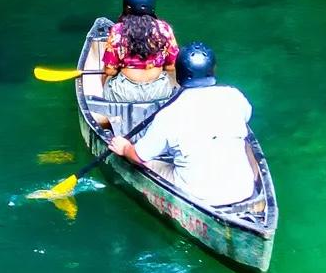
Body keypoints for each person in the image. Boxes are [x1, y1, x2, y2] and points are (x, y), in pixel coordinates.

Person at [109, 42, 256, 207]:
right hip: (244, 189)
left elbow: (139, 156)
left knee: (142, 161)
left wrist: (125, 148)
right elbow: (246, 117)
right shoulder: (234, 96)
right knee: (245, 141)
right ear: (213, 70)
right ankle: (255, 186)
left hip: (199, 196)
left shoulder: (168, 114)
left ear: (178, 75)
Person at [102, 0, 179, 102]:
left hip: (124, 93)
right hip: (159, 92)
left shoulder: (118, 31)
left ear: (127, 5)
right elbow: (171, 66)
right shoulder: (163, 28)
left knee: (106, 79)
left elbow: (110, 70)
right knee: (172, 80)